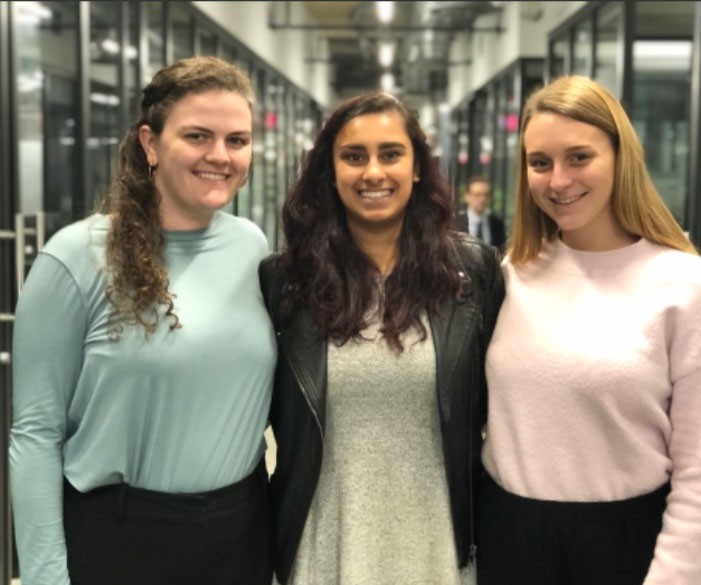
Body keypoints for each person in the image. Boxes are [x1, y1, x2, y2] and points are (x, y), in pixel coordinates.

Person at [9, 56, 276, 585]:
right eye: (198, 136)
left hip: (239, 533)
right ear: (150, 143)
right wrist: (44, 577)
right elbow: (35, 433)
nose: (220, 156)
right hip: (122, 540)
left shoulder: (252, 246)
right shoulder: (78, 257)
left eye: (237, 140)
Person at [477, 75, 701, 585]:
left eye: (579, 157)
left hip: (625, 546)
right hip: (507, 537)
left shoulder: (685, 286)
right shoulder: (515, 272)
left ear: (622, 158)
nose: (558, 180)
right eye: (540, 163)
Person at [259, 91, 503, 585]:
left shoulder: (473, 274)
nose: (373, 172)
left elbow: (497, 414)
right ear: (331, 171)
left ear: (417, 168)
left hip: (439, 552)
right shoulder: (286, 282)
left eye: (391, 154)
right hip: (323, 552)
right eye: (354, 156)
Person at [453, 175, 506, 249]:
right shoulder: (455, 223)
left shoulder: (497, 224)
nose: (482, 199)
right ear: (467, 196)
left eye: (486, 195)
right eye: (477, 195)